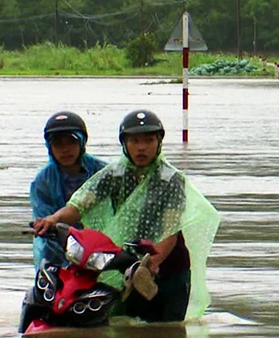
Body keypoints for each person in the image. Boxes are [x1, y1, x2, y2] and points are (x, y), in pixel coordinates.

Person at [33, 110, 220, 323]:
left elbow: (171, 229)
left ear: (159, 143)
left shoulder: (171, 179)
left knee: (170, 337)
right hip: (129, 265)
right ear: (124, 144)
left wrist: (153, 263)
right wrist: (53, 219)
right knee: (126, 335)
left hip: (169, 269)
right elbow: (80, 205)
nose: (141, 147)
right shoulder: (114, 174)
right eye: (134, 140)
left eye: (149, 140)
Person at [30, 111, 107, 267]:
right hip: (56, 252)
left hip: (101, 248)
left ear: (82, 142)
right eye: (58, 144)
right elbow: (45, 219)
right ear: (50, 147)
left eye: (71, 142)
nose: (65, 149)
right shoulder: (43, 182)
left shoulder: (103, 173)